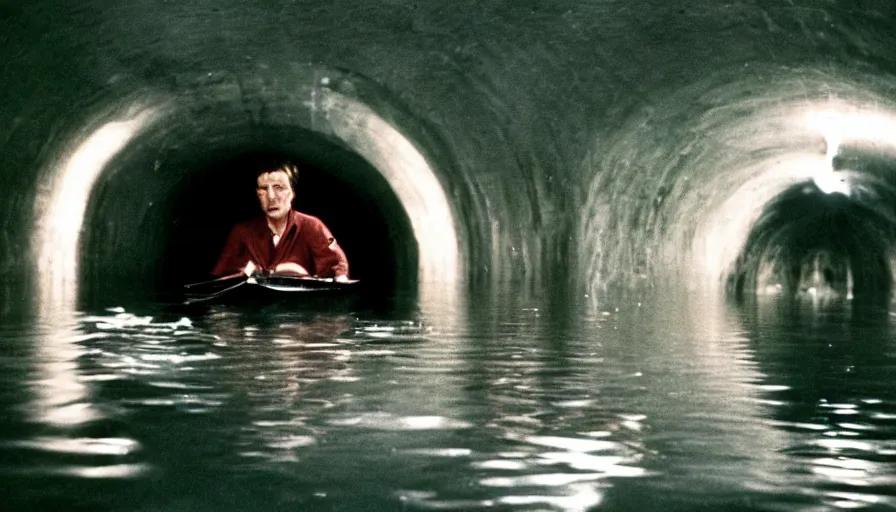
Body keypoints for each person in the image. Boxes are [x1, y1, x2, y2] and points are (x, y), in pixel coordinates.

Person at [212, 161, 350, 282]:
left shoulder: (312, 226)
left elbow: (337, 268)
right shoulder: (242, 232)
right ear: (257, 194)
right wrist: (248, 272)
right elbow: (222, 278)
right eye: (264, 189)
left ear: (292, 193)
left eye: (279, 187)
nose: (271, 197)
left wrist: (339, 277)